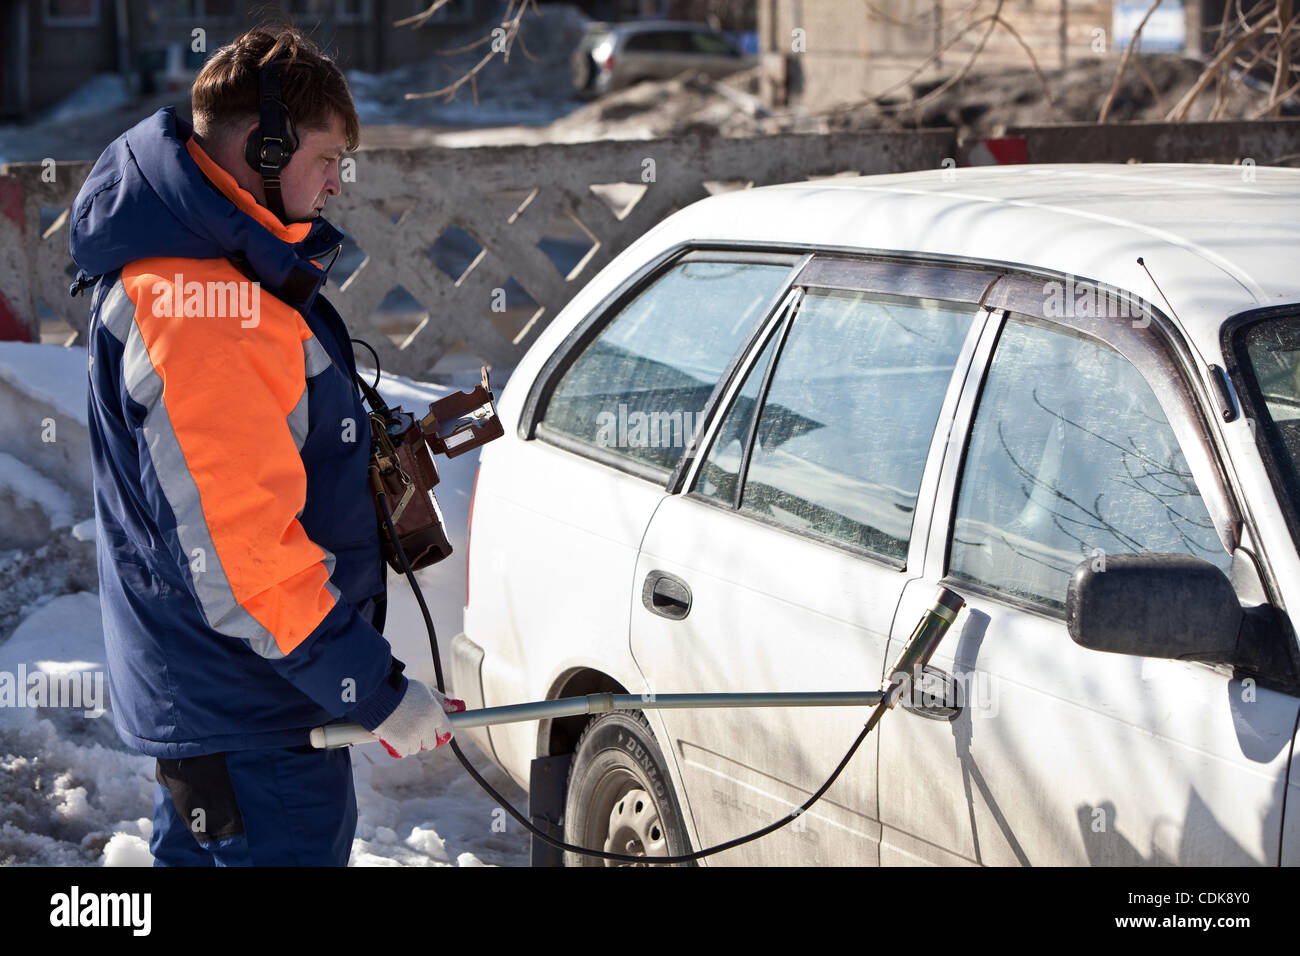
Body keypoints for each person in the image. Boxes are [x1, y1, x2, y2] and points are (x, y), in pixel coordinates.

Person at [70, 26, 463, 867]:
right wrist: (372, 687)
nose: (335, 184)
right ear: (265, 143)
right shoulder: (197, 304)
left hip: (238, 709)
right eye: (327, 158)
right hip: (255, 720)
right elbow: (241, 557)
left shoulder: (214, 269)